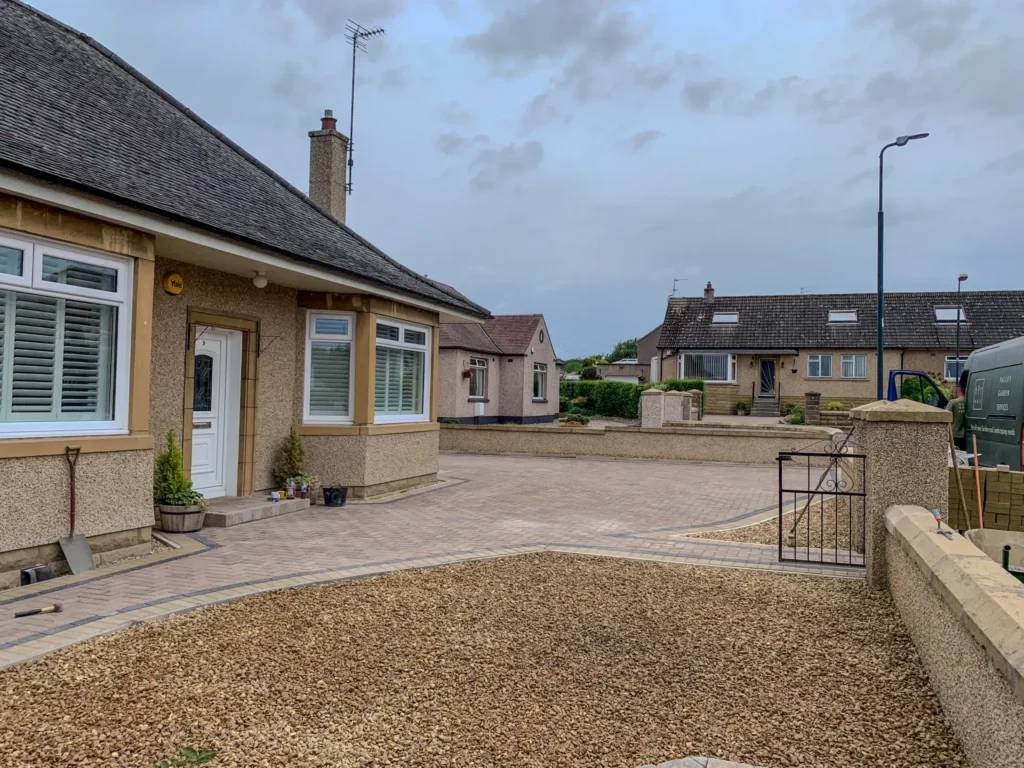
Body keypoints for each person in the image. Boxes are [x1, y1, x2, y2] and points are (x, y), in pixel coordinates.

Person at [946, 368, 968, 451]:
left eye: (953, 393)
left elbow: (946, 416)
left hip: (954, 434)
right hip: (964, 434)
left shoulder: (953, 402)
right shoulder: (969, 402)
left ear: (956, 393)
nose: (953, 395)